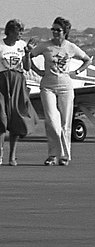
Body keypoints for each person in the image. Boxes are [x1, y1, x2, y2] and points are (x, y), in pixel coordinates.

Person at [28, 17, 91, 166]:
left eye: (58, 30)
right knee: (52, 121)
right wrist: (37, 70)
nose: (55, 32)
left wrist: (76, 72)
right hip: (47, 86)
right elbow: (29, 57)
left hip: (65, 87)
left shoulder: (70, 47)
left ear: (65, 32)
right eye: (53, 29)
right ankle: (52, 155)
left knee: (65, 123)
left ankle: (64, 156)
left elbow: (87, 59)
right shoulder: (45, 46)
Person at [0, 18, 33, 166]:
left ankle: (12, 155)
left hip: (17, 81)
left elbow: (27, 67)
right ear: (11, 31)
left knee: (15, 117)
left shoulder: (22, 45)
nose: (21, 34)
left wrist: (28, 53)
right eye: (19, 31)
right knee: (2, 117)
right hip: (1, 81)